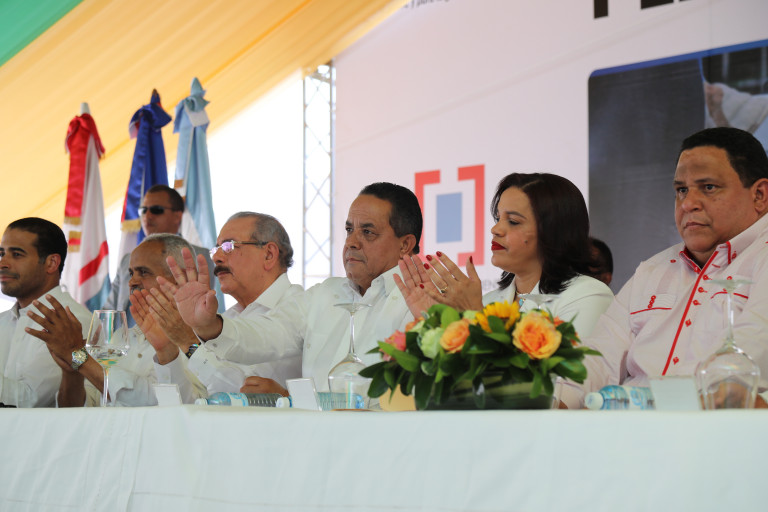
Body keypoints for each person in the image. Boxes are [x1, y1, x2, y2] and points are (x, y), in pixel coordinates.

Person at [560, 127, 768, 409]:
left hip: (712, 427)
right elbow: (599, 356)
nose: (688, 204)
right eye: (681, 190)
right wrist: (558, 402)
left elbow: (744, 364)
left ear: (759, 195)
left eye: (708, 187)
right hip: (625, 426)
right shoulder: (653, 269)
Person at [161, 182, 422, 395]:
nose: (351, 242)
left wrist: (292, 400)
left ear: (405, 245)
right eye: (349, 230)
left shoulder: (423, 302)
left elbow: (397, 399)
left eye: (368, 232)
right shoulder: (326, 294)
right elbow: (268, 334)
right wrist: (209, 326)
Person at [396, 173, 614, 340]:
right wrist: (435, 325)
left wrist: (474, 317)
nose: (495, 230)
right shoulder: (489, 302)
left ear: (553, 230)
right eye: (498, 218)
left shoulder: (589, 295)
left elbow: (561, 384)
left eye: (513, 221)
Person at [28, 234, 206, 406]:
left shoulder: (201, 339)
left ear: (178, 277)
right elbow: (82, 409)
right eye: (131, 273)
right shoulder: (121, 337)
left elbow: (161, 402)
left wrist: (78, 356)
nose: (132, 282)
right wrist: (72, 371)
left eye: (144, 272)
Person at [144, 212, 303, 395]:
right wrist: (166, 353)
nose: (216, 257)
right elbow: (194, 401)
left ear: (269, 255)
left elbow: (244, 394)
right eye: (216, 248)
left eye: (229, 246)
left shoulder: (299, 309)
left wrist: (188, 342)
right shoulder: (227, 318)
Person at [0, 218, 92, 407]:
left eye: (16, 254)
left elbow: (32, 401)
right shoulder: (3, 320)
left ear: (51, 263)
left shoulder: (72, 321)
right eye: (2, 254)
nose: (3, 263)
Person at [103, 184, 215, 326]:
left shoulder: (198, 256)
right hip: (125, 338)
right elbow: (108, 311)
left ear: (177, 216)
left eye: (156, 210)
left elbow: (198, 307)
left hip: (177, 337)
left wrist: (186, 342)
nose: (148, 216)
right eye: (144, 210)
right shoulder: (127, 260)